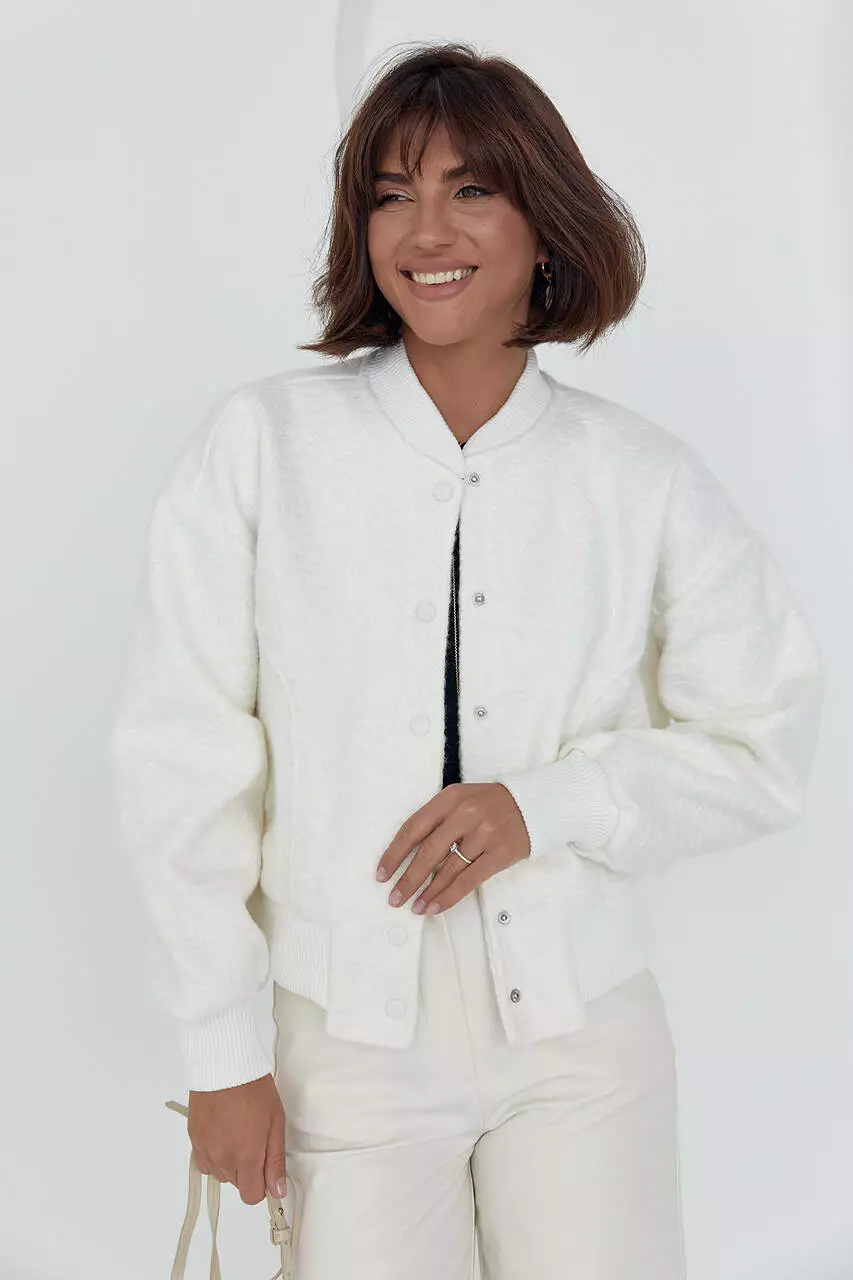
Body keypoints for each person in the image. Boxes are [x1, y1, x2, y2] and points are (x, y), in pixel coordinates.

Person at [109, 41, 824, 1279]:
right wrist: (222, 1052)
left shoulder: (637, 477)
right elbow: (183, 751)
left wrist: (545, 804)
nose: (427, 229)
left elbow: (764, 737)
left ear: (544, 223)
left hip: (583, 1039)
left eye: (471, 189)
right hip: (348, 1042)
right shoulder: (265, 445)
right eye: (392, 194)